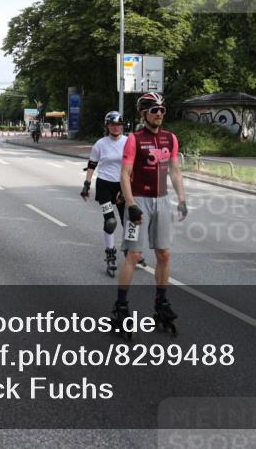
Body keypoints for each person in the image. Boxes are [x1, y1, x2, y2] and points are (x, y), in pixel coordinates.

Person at [113, 92, 187, 337]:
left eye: (162, 110)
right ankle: (121, 307)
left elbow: (175, 171)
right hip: (140, 202)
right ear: (143, 114)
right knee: (134, 255)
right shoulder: (134, 139)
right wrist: (131, 205)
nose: (159, 114)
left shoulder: (170, 138)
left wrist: (182, 199)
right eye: (154, 110)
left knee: (164, 254)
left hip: (162, 201)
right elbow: (125, 174)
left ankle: (161, 303)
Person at [82, 111, 129, 277]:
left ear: (122, 125)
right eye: (112, 125)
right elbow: (92, 165)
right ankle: (110, 254)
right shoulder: (100, 144)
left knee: (128, 222)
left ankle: (130, 248)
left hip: (123, 185)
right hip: (104, 185)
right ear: (107, 126)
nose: (115, 127)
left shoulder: (128, 142)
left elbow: (134, 166)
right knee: (110, 221)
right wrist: (86, 185)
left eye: (118, 124)